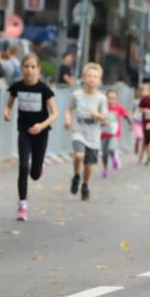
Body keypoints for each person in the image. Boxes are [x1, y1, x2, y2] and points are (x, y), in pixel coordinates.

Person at [3, 52, 58, 221]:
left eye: (33, 67)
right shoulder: (17, 87)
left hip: (41, 132)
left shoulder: (44, 89)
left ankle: (39, 166)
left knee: (34, 173)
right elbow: (9, 106)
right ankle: (22, 204)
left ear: (38, 69)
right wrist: (7, 113)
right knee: (23, 166)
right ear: (21, 69)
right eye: (26, 66)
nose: (29, 70)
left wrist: (41, 126)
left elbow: (55, 113)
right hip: (24, 131)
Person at [64, 62, 108, 202]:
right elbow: (69, 109)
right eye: (89, 76)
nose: (91, 79)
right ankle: (76, 175)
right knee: (78, 155)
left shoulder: (102, 98)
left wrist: (98, 115)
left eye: (95, 76)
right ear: (83, 78)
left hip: (94, 134)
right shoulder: (76, 95)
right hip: (79, 131)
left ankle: (85, 185)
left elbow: (106, 118)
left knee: (88, 165)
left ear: (99, 80)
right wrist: (67, 119)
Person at [100, 88, 130, 178]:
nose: (111, 100)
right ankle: (105, 168)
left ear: (116, 99)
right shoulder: (102, 108)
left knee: (111, 148)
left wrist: (130, 124)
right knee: (104, 153)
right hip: (103, 133)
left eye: (113, 98)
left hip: (114, 134)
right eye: (109, 98)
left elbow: (125, 116)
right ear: (106, 98)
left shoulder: (119, 108)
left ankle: (114, 158)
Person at [132, 83, 148, 154]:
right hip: (137, 121)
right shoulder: (136, 101)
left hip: (145, 121)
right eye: (144, 91)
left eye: (147, 90)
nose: (145, 92)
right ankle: (137, 143)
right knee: (139, 136)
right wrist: (132, 123)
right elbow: (133, 111)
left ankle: (142, 151)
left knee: (145, 138)